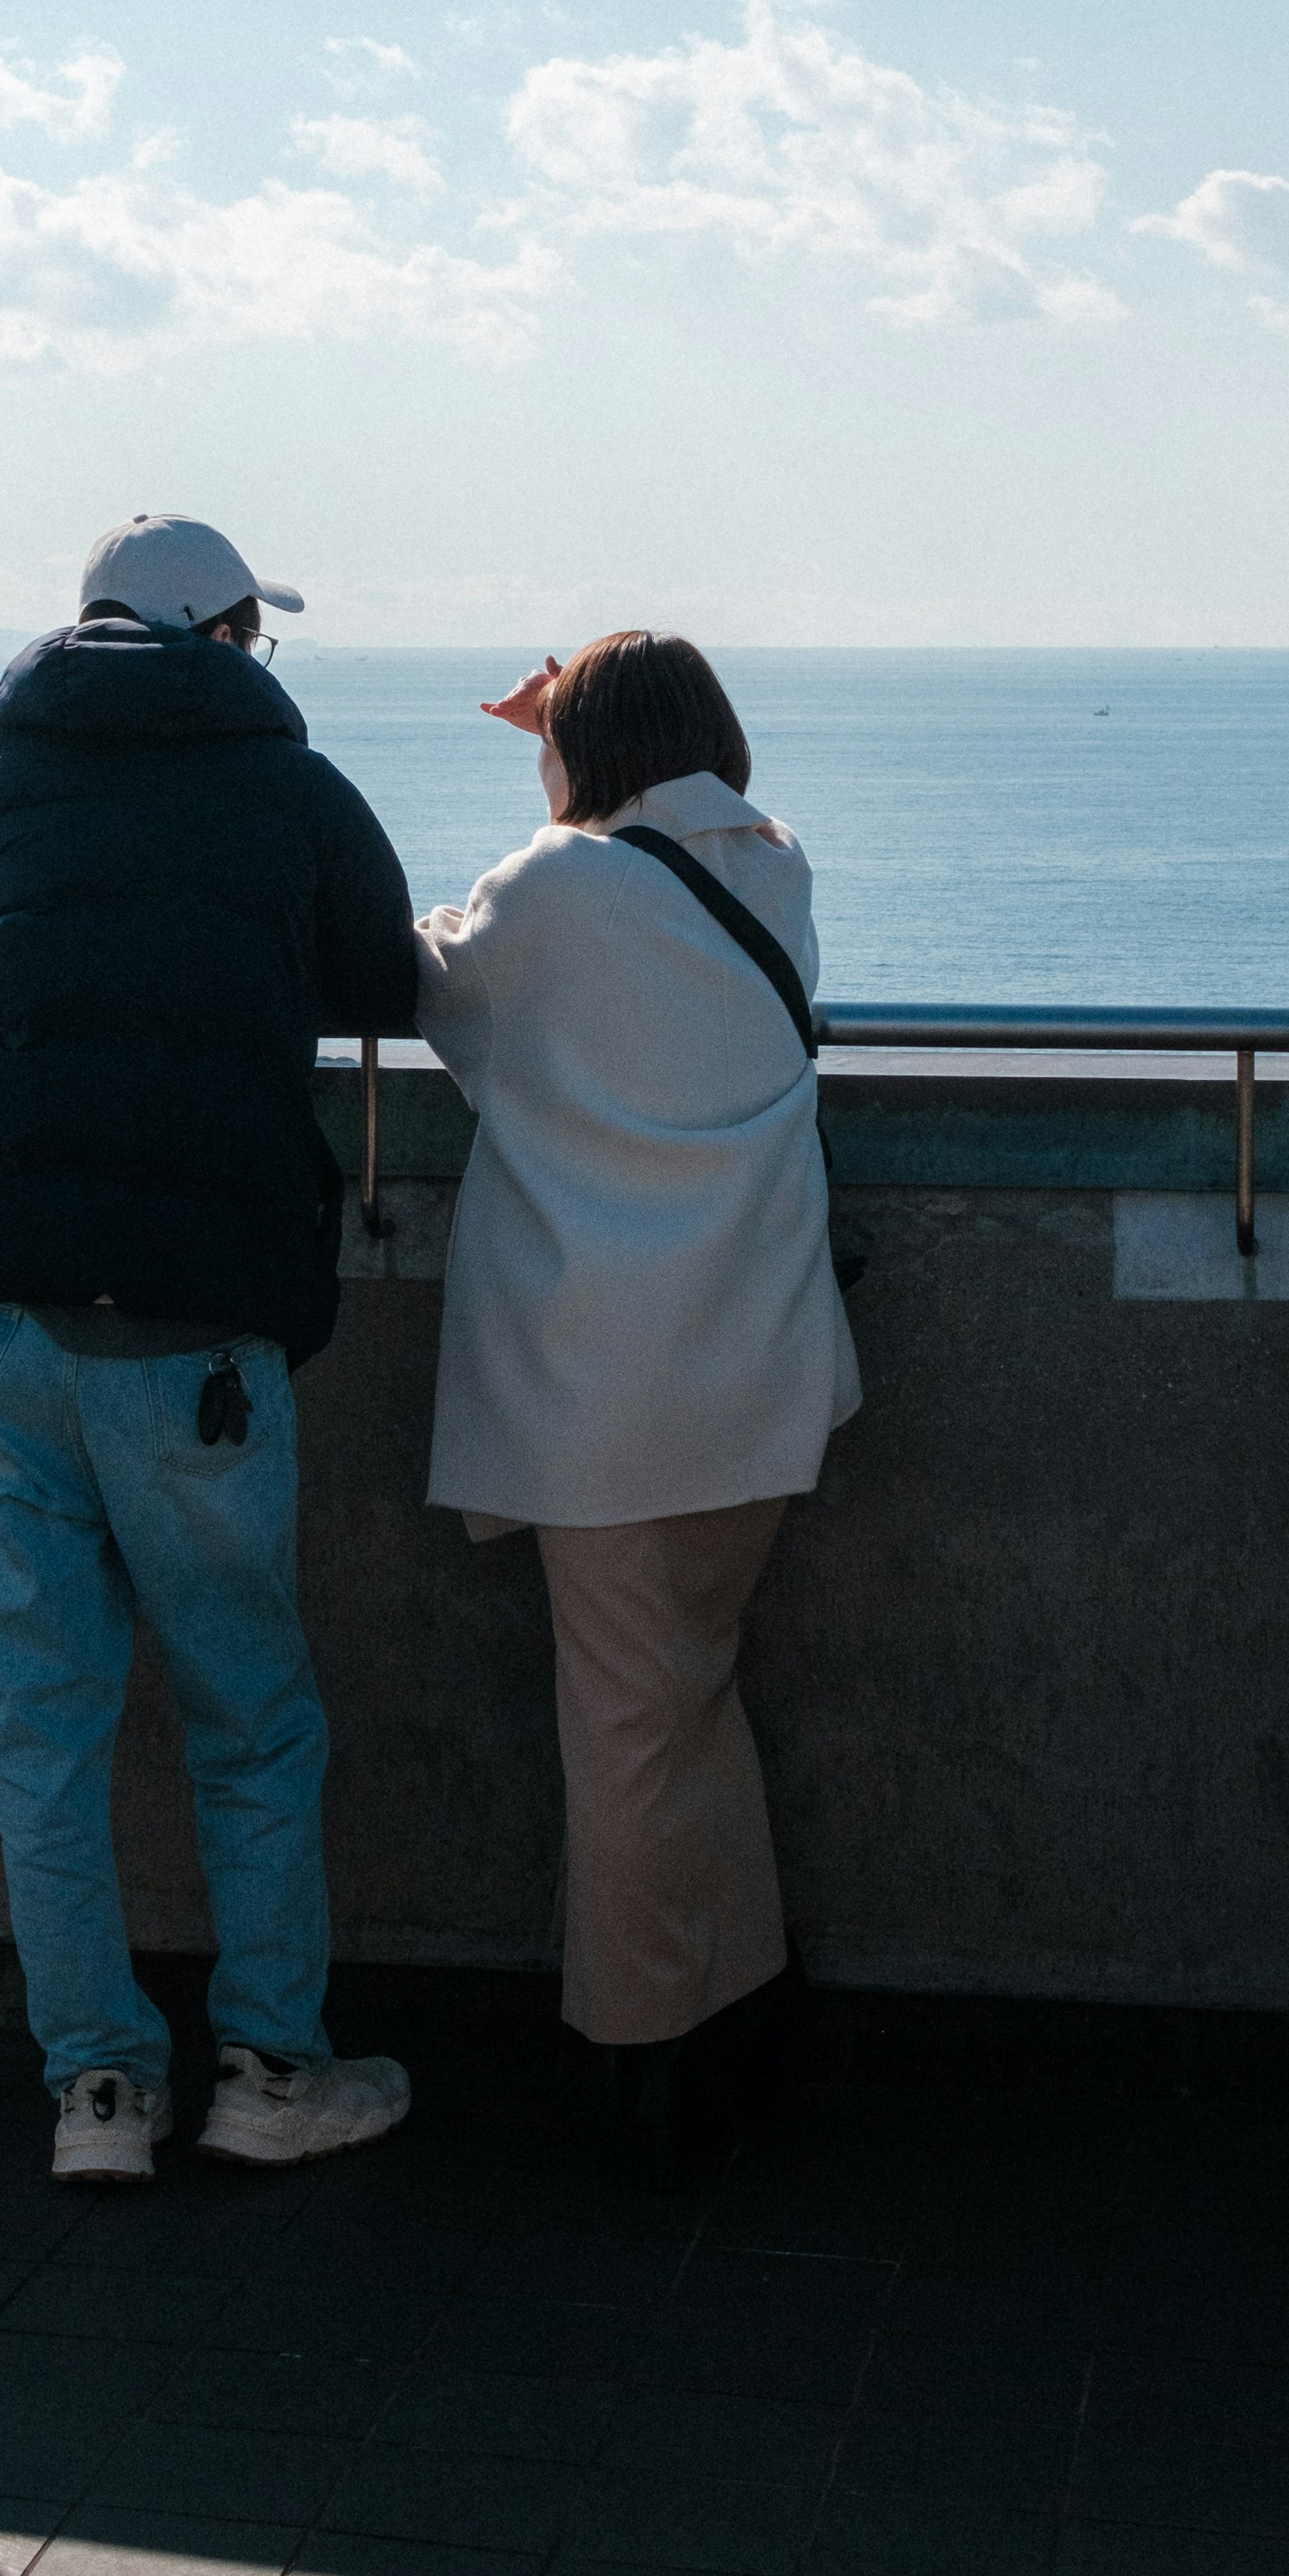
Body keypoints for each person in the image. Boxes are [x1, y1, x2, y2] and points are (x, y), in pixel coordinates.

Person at [0, 513, 424, 2188]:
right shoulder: (293, 791)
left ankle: (101, 2098)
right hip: (197, 1329)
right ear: (223, 635)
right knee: (251, 1720)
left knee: (41, 1736)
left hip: (7, 1324)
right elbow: (384, 979)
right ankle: (273, 2068)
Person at [416, 630, 860, 2155]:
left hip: (607, 1389)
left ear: (580, 750)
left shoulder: (553, 887)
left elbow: (451, 1000)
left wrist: (553, 782)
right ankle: (743, 2003)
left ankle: (646, 2059)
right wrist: (584, 750)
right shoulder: (777, 868)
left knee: (622, 1725)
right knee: (688, 1694)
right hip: (764, 1367)